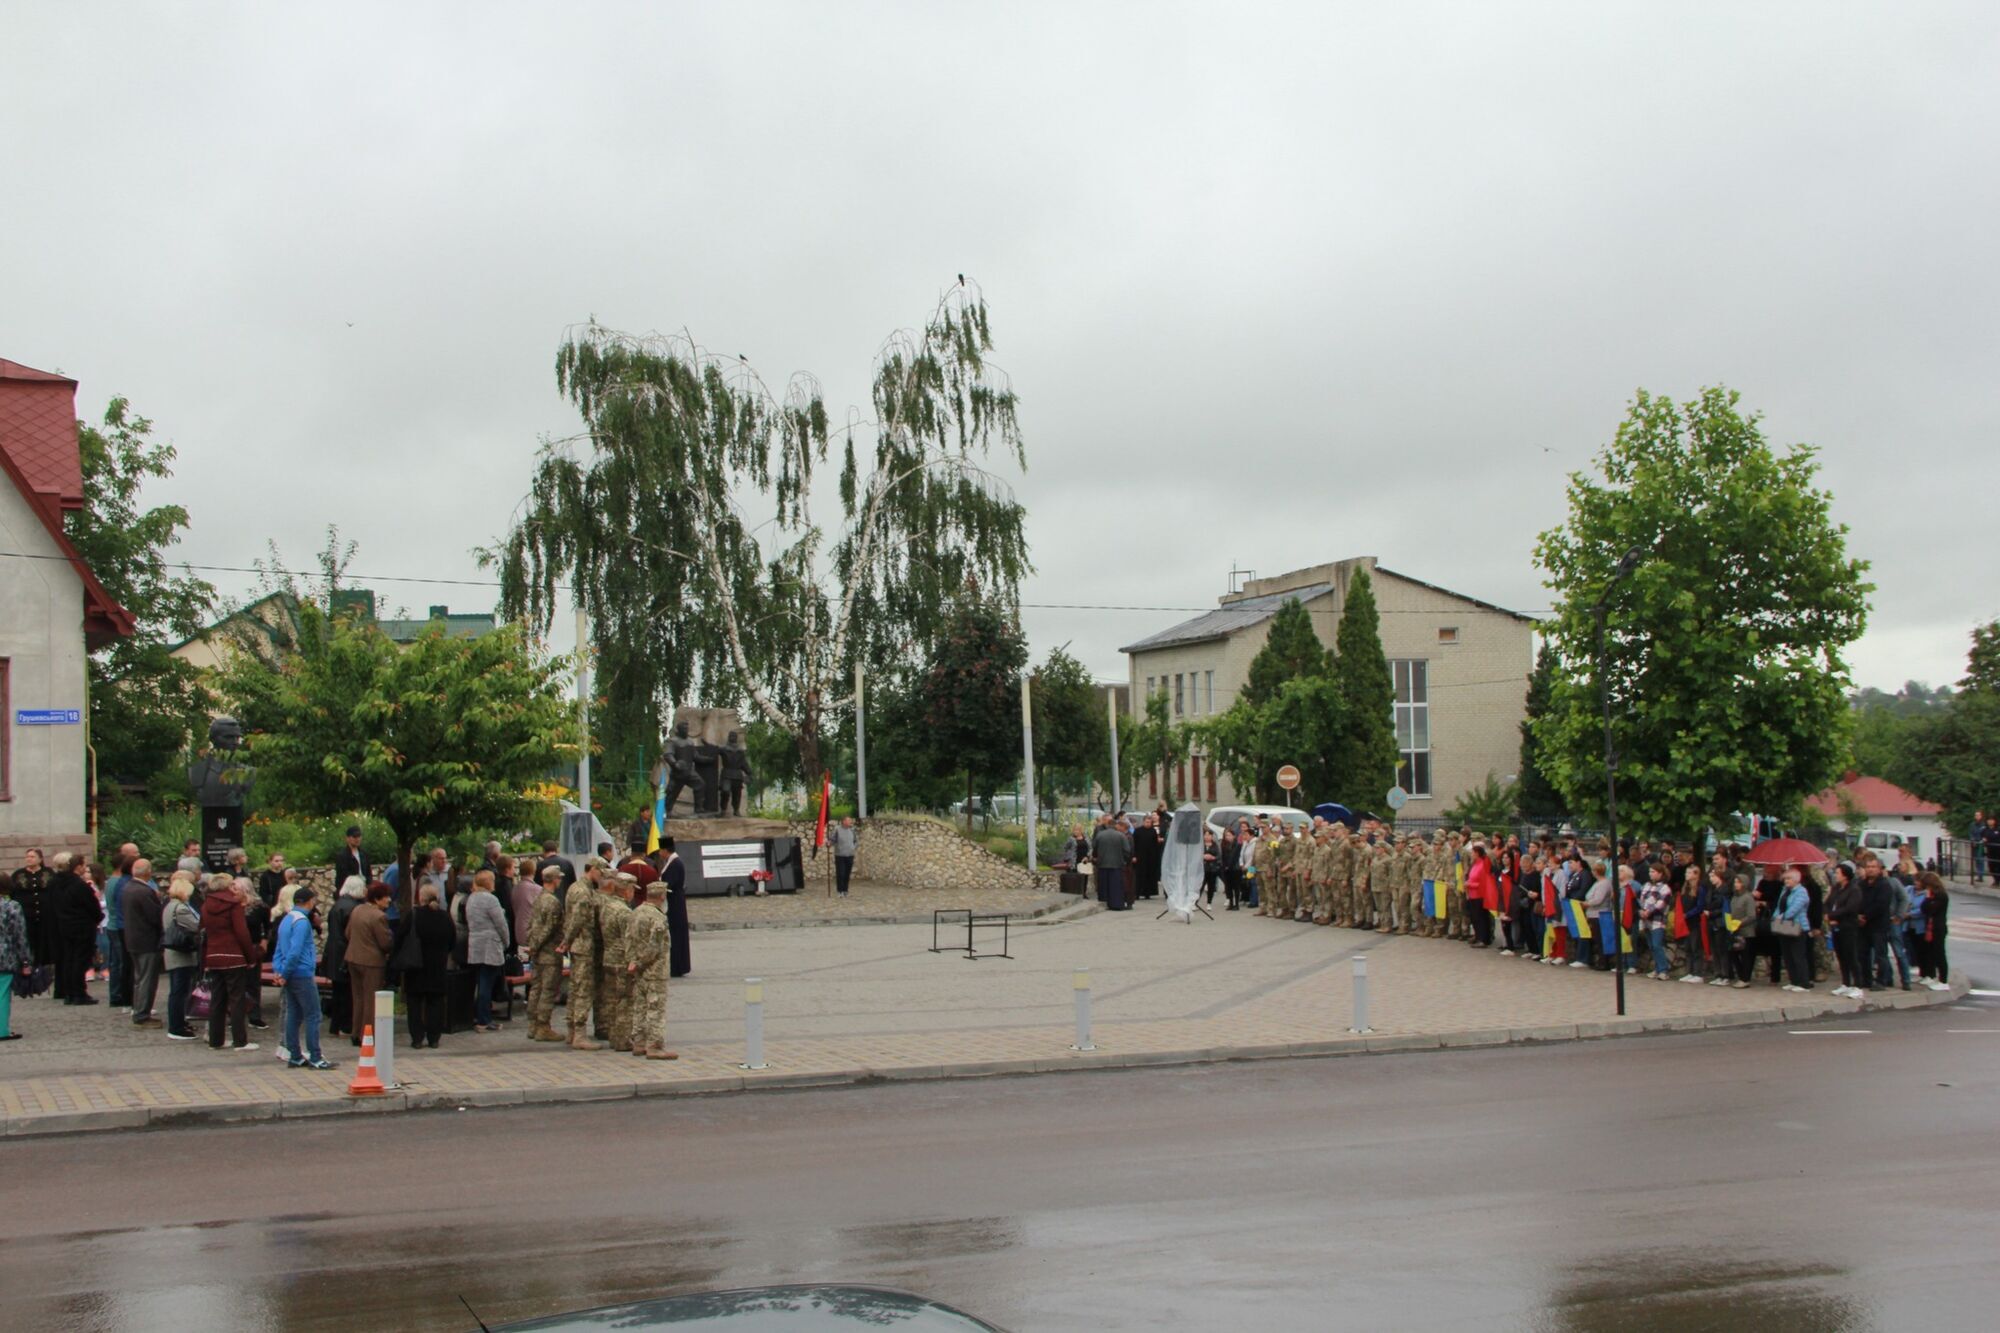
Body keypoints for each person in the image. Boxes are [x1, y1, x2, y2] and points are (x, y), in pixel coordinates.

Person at [269, 886, 334, 1069]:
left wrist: (279, 971)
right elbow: (295, 952)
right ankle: (315, 1056)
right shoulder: (302, 922)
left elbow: (279, 949)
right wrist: (286, 972)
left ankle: (295, 1055)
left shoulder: (286, 919)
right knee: (313, 1014)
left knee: (293, 1015)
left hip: (289, 973)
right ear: (309, 901)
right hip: (301, 973)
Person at [200, 873, 260, 1050]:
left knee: (217, 999)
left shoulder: (205, 905)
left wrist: (205, 958)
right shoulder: (233, 905)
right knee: (236, 999)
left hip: (213, 955)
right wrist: (250, 957)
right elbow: (242, 933)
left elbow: (203, 931)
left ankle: (215, 1039)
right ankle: (240, 1040)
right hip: (233, 955)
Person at [397, 883, 456, 1048]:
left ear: (420, 897)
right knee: (436, 1002)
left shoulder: (414, 915)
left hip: (415, 965)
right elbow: (452, 940)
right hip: (437, 965)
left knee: (414, 1003)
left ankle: (417, 1038)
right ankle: (434, 1038)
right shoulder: (444, 916)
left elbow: (400, 937)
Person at [626, 881, 676, 1059]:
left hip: (640, 970)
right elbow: (655, 947)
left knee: (640, 1006)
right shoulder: (658, 917)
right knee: (656, 1008)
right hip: (655, 970)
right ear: (662, 896)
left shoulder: (636, 912)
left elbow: (629, 939)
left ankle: (639, 1042)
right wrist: (640, 962)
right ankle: (655, 1046)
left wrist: (632, 961)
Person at [342, 882, 395, 1043]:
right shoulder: (379, 916)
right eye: (386, 897)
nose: (389, 900)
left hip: (353, 958)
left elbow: (347, 933)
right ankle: (368, 1034)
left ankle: (356, 1032)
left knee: (358, 997)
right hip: (372, 962)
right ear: (378, 899)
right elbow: (385, 943)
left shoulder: (357, 910)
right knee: (371, 999)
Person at [562, 857, 605, 1049]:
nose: (602, 877)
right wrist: (566, 941)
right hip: (583, 946)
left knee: (575, 988)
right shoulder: (583, 892)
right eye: (601, 873)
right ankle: (579, 1034)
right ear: (593, 869)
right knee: (583, 990)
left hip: (578, 946)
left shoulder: (575, 887)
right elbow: (577, 920)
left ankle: (572, 1031)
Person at [49, 853, 101, 1004]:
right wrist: (97, 918)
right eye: (84, 865)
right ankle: (78, 992)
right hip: (81, 927)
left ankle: (69, 992)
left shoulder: (56, 883)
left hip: (63, 926)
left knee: (69, 959)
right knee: (80, 960)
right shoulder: (79, 886)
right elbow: (92, 906)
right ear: (78, 867)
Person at [522, 867, 567, 1041]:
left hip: (538, 953)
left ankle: (533, 1025)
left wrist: (532, 945)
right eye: (559, 878)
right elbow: (549, 929)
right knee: (548, 990)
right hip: (549, 951)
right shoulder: (553, 902)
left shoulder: (539, 898)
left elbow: (531, 924)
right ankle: (543, 1026)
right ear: (554, 879)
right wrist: (536, 945)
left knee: (536, 988)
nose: (560, 881)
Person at [121, 859, 166, 1027]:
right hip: (146, 940)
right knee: (147, 979)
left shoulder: (128, 888)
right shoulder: (144, 892)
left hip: (133, 939)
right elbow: (155, 916)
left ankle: (139, 1010)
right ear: (148, 872)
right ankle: (142, 1014)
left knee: (140, 978)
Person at [463, 870, 509, 1033]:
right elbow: (500, 924)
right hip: (490, 943)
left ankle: (479, 1016)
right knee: (487, 984)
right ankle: (484, 1019)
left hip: (475, 943)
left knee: (481, 981)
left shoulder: (471, 898)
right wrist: (506, 941)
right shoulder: (491, 899)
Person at [159, 878, 204, 1040]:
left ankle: (178, 1022)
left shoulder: (169, 905)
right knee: (179, 991)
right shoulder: (180, 908)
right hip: (180, 955)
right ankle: (176, 1026)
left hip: (172, 954)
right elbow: (197, 925)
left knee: (177, 990)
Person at [322, 875, 364, 1038]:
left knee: (339, 992)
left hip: (334, 954)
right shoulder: (352, 908)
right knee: (348, 994)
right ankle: (345, 1025)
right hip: (344, 954)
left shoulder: (338, 905)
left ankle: (336, 1025)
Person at [1826, 861, 1866, 998]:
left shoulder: (1854, 889)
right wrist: (1827, 914)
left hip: (1848, 926)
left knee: (1851, 956)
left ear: (1845, 875)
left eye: (1838, 873)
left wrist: (1833, 915)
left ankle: (1858, 985)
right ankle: (1846, 983)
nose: (1835, 875)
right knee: (1841, 956)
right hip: (1836, 927)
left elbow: (1850, 908)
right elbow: (1829, 903)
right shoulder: (1836, 888)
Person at [1773, 867, 1814, 992]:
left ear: (1796, 879)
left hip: (1798, 926)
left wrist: (1782, 917)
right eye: (1785, 878)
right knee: (1788, 955)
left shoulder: (1802, 892)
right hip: (1783, 925)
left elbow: (1795, 908)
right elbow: (1779, 906)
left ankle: (1803, 982)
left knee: (1798, 955)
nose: (1786, 881)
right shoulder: (1785, 891)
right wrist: (1775, 917)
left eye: (1789, 878)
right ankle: (1794, 980)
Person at [0, 876, 30, 1040]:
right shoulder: (11, 907)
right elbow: (20, 935)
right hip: (5, 955)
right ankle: (1, 1030)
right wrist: (25, 960)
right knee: (2, 994)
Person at [659, 838, 691, 978]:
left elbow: (669, 884)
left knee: (677, 934)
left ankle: (678, 966)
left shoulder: (675, 864)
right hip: (675, 901)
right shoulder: (672, 862)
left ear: (665, 850)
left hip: (675, 903)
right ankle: (677, 964)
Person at [1915, 872, 1950, 990]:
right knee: (1929, 952)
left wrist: (1928, 899)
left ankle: (1943, 980)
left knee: (1940, 953)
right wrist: (1928, 899)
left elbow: (1931, 909)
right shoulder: (1931, 896)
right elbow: (1924, 908)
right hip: (1930, 927)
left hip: (1938, 928)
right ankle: (1930, 975)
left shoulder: (1941, 895)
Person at [1090, 816, 1133, 911]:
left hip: (1102, 864)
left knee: (1103, 885)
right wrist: (1124, 860)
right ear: (1115, 825)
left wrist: (1096, 857)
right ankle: (1116, 904)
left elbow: (1095, 848)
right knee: (1116, 885)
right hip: (1117, 864)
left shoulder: (1100, 835)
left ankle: (1103, 902)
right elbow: (1127, 850)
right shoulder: (1121, 836)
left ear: (1107, 825)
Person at [833, 816, 859, 897]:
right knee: (841, 873)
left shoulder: (852, 830)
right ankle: (840, 890)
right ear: (843, 821)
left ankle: (845, 890)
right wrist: (829, 842)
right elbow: (833, 839)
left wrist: (853, 848)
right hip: (840, 855)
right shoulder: (837, 829)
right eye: (848, 820)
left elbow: (856, 841)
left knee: (847, 873)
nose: (850, 822)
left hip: (850, 854)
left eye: (850, 820)